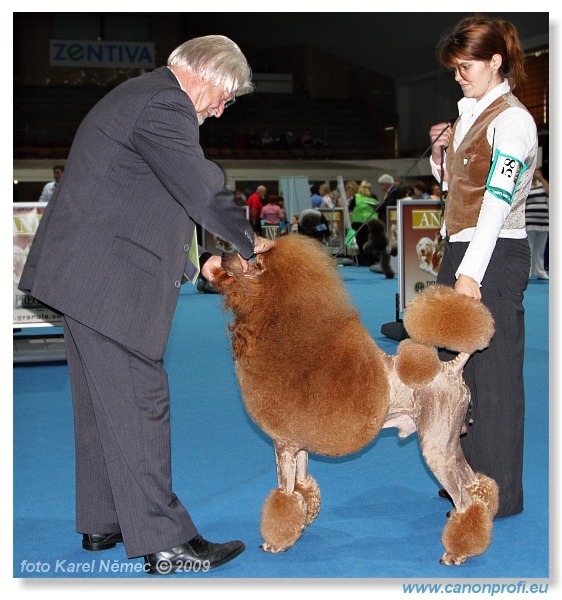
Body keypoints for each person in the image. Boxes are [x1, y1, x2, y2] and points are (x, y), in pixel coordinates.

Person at [19, 34, 275, 575]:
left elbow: (156, 193)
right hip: (109, 281)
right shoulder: (166, 103)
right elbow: (201, 186)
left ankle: (104, 520)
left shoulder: (140, 96)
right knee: (139, 402)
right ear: (206, 75)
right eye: (225, 98)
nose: (221, 111)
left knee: (100, 407)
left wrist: (201, 257)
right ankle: (164, 542)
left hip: (84, 276)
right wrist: (251, 242)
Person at [429, 15, 538, 518]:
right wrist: (441, 155)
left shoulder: (513, 120)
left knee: (492, 377)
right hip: (462, 252)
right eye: (454, 68)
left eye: (466, 66)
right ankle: (463, 478)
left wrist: (470, 272)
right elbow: (462, 188)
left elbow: (497, 200)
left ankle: (497, 496)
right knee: (455, 375)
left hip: (493, 256)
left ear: (496, 61)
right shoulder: (470, 111)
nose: (458, 75)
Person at [525, 167, 549, 280]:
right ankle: (528, 273)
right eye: (535, 170)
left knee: (540, 249)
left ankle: (540, 272)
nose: (537, 172)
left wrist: (542, 179)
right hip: (530, 222)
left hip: (543, 222)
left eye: (539, 170)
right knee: (529, 248)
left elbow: (550, 193)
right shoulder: (527, 186)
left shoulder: (543, 185)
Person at [349, 179, 378, 266]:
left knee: (360, 242)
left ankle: (362, 261)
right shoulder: (374, 197)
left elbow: (350, 208)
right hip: (371, 223)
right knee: (370, 241)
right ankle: (370, 260)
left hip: (358, 222)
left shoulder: (356, 197)